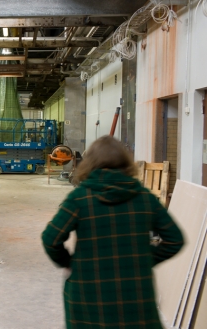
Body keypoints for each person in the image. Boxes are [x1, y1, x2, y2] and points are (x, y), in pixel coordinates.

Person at [41, 136, 184, 329]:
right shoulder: (144, 198)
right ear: (125, 163)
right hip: (135, 295)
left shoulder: (80, 198)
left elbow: (51, 238)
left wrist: (68, 262)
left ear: (90, 163)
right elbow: (175, 239)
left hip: (88, 295)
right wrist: (146, 259)